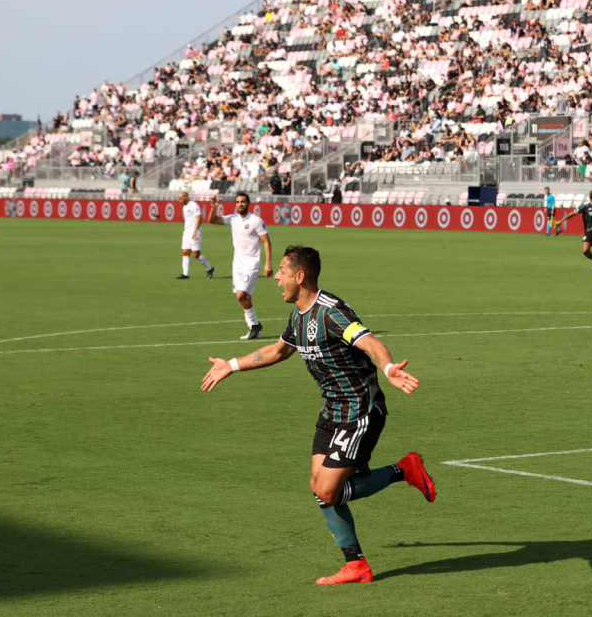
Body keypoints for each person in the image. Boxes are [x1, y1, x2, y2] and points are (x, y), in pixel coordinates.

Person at [200, 245, 434, 585]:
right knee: (318, 486)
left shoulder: (331, 312)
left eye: (281, 271)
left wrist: (388, 367)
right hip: (332, 410)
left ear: (300, 276)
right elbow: (278, 351)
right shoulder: (298, 316)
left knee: (327, 491)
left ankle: (405, 469)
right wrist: (232, 365)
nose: (276, 277)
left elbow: (368, 341)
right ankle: (356, 565)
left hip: (360, 410)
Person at [207, 192, 273, 339]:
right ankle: (254, 327)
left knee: (241, 295)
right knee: (244, 298)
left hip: (252, 264)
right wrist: (213, 207)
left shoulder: (256, 221)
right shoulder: (233, 219)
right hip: (237, 265)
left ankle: (254, 325)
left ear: (249, 204)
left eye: (243, 202)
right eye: (237, 202)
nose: (240, 204)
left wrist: (268, 263)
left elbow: (266, 242)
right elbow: (212, 220)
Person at [177, 191, 214, 280]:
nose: (179, 201)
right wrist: (185, 233)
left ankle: (210, 268)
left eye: (181, 199)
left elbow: (199, 217)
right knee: (185, 252)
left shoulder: (194, 205)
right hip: (186, 233)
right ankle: (186, 274)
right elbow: (187, 221)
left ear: (186, 198)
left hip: (194, 233)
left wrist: (195, 231)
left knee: (196, 254)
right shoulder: (184, 207)